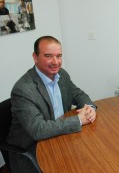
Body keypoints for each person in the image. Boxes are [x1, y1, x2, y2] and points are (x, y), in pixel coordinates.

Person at [7, 36, 97, 173]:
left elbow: (78, 94)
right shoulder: (23, 89)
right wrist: (79, 120)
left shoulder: (62, 75)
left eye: (59, 56)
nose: (56, 62)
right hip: (33, 148)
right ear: (35, 57)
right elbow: (38, 130)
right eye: (48, 56)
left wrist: (89, 108)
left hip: (60, 136)